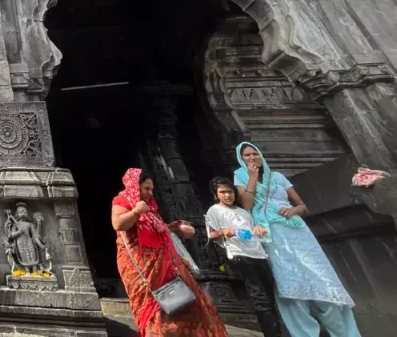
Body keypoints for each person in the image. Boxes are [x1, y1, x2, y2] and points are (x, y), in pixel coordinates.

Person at [234, 142, 362, 337]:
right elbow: (247, 204)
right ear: (241, 159)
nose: (252, 158)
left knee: (322, 280)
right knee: (290, 285)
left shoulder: (277, 177)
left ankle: (344, 333)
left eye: (255, 153)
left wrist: (293, 210)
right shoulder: (240, 176)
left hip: (298, 232)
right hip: (272, 234)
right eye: (247, 155)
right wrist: (252, 177)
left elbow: (302, 206)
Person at [111, 168, 228, 337]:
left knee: (185, 304)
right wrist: (136, 211)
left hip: (165, 264)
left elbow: (152, 230)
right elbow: (118, 224)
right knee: (155, 309)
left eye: (152, 189)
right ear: (134, 186)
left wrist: (173, 227)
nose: (150, 193)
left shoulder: (150, 207)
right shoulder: (122, 200)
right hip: (142, 267)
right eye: (146, 189)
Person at [205, 176, 281, 337]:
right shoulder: (214, 210)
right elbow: (211, 235)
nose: (227, 195)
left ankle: (278, 330)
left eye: (230, 191)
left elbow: (252, 230)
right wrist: (224, 231)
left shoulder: (243, 211)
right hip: (240, 254)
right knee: (259, 296)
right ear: (215, 194)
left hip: (259, 253)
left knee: (270, 293)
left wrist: (259, 228)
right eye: (223, 192)